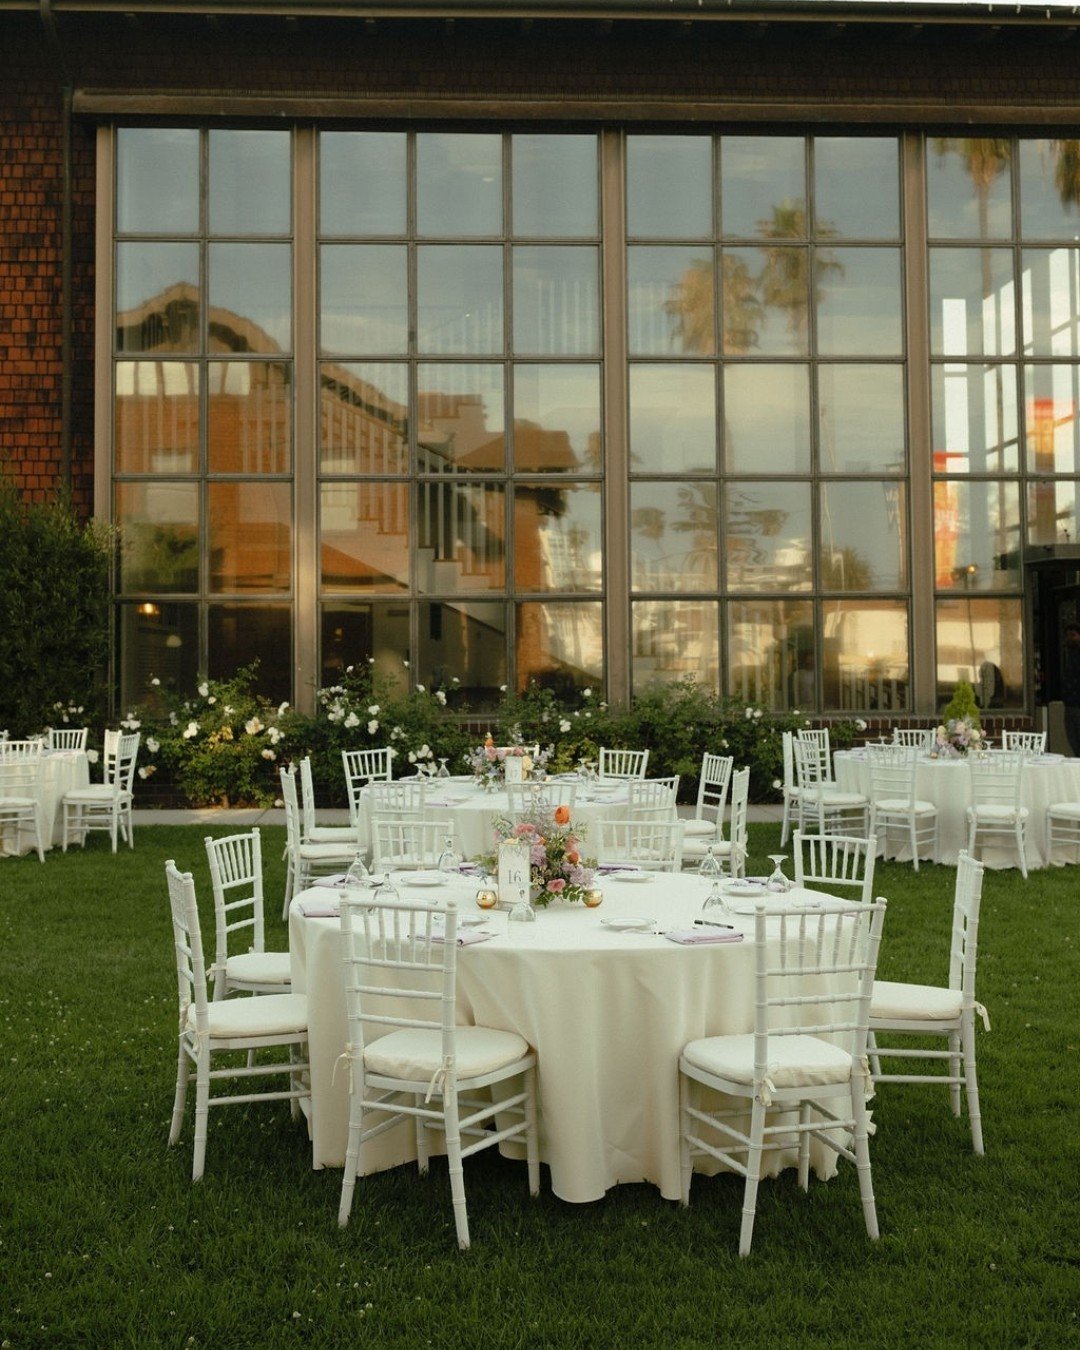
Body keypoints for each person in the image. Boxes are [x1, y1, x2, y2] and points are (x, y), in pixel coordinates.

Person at [1062, 623, 1080, 757]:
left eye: (1073, 635)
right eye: (1068, 635)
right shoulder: (1068, 656)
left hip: (1077, 705)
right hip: (1070, 705)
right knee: (1073, 739)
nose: (1070, 638)